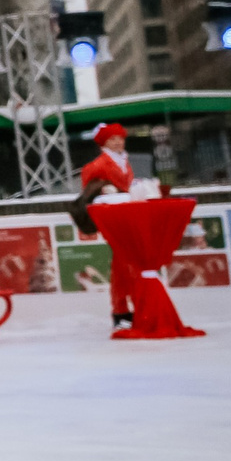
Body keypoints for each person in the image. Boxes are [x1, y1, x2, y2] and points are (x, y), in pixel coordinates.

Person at [74, 123, 137, 330]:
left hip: (127, 216)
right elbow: (89, 193)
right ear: (104, 142)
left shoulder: (124, 162)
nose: (118, 141)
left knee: (127, 263)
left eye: (120, 137)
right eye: (113, 139)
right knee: (122, 264)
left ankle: (124, 309)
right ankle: (121, 309)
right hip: (112, 219)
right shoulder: (98, 165)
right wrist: (104, 191)